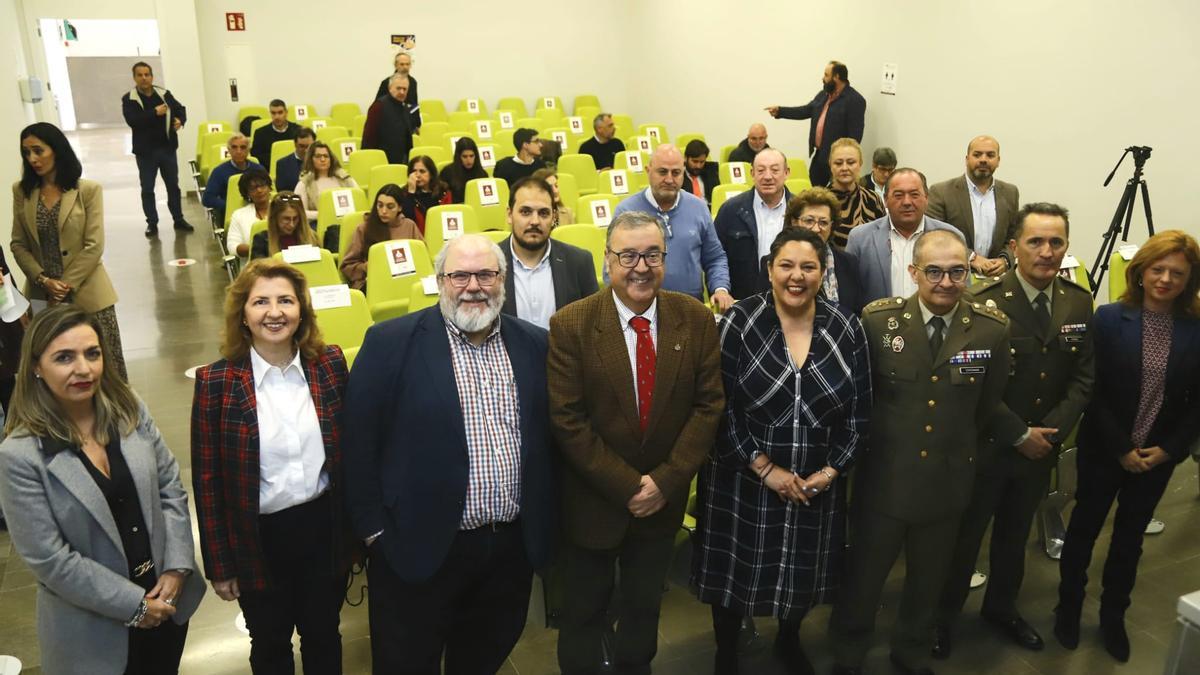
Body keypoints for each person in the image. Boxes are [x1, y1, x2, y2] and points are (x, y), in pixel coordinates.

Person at [343, 234, 557, 673]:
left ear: (503, 280)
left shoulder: (535, 344)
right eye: (460, 275)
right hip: (416, 549)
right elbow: (358, 442)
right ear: (441, 280)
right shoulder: (389, 342)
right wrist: (372, 533)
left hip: (508, 549)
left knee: (482, 658)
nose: (473, 285)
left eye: (486, 274)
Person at [549, 211, 724, 675]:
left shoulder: (695, 318)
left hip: (661, 504)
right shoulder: (572, 324)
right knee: (583, 614)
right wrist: (629, 486)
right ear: (608, 260)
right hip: (594, 503)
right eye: (628, 255)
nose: (640, 267)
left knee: (644, 610)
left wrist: (663, 483)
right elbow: (568, 421)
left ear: (665, 260)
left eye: (651, 255)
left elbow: (709, 407)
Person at [829, 230, 1010, 675]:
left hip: (947, 483)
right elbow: (859, 398)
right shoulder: (878, 322)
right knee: (863, 582)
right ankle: (849, 655)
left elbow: (988, 405)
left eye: (956, 271)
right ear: (913, 273)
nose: (946, 281)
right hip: (884, 482)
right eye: (934, 271)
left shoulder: (992, 328)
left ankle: (909, 652)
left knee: (928, 581)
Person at [696, 226, 870, 675]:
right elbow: (718, 405)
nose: (797, 276)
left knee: (802, 573)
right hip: (743, 479)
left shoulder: (847, 326)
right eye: (786, 266)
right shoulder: (739, 320)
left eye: (808, 267)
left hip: (816, 482)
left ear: (822, 271)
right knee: (733, 577)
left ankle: (789, 641)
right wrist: (763, 467)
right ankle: (726, 652)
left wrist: (832, 471)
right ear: (769, 269)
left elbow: (860, 412)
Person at [0, 304, 206, 675]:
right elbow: (51, 560)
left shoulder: (130, 409)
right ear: (35, 367)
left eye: (92, 354)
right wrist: (135, 605)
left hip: (167, 604)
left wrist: (176, 569)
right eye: (64, 357)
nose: (84, 369)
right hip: (94, 633)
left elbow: (170, 488)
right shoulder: (19, 456)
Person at [933, 203, 1095, 659]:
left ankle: (1000, 609)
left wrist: (1052, 432)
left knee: (1015, 537)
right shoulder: (982, 302)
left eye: (1056, 242)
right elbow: (970, 380)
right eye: (1035, 241)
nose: (1046, 251)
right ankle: (941, 617)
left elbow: (1083, 378)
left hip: (1041, 449)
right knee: (965, 540)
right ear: (1013, 246)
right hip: (988, 445)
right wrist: (1019, 434)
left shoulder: (1078, 301)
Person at [192, 260, 353, 674]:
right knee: (269, 643)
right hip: (257, 539)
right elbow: (207, 481)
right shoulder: (216, 382)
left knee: (324, 635)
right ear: (242, 314)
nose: (274, 312)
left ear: (301, 310)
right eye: (260, 301)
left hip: (322, 531)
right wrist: (220, 565)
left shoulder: (329, 364)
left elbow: (349, 455)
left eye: (285, 300)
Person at [1055, 230, 1200, 663]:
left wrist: (1169, 450)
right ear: (1140, 271)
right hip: (1105, 449)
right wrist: (1121, 447)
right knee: (1083, 531)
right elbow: (1092, 391)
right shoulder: (1108, 319)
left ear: (1189, 280)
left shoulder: (1196, 327)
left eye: (1177, 273)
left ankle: (1114, 616)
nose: (1165, 279)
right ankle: (1068, 608)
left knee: (1129, 540)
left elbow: (1196, 402)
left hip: (1158, 456)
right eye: (1158, 269)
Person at [12, 122, 129, 380]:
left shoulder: (86, 190)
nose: (32, 158)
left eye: (38, 151)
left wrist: (64, 286)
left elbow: (94, 245)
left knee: (106, 371)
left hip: (88, 293)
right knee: (53, 371)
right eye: (26, 153)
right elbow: (18, 244)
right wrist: (43, 280)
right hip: (42, 295)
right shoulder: (22, 192)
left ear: (56, 150)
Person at [612, 144, 734, 311]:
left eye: (676, 173)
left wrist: (720, 289)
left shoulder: (698, 208)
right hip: (641, 311)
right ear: (648, 170)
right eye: (662, 172)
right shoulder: (626, 211)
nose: (669, 179)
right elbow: (613, 266)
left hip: (691, 309)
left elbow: (715, 258)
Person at [845, 168, 963, 304]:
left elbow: (963, 293)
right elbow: (850, 296)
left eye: (914, 194)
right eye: (898, 195)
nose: (907, 202)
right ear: (885, 200)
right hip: (878, 324)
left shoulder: (951, 237)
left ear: (926, 198)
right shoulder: (860, 238)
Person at [500, 176, 597, 330]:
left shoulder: (579, 262)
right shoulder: (487, 263)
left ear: (554, 217)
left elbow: (594, 326)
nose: (535, 221)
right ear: (509, 215)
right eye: (525, 212)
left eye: (544, 213)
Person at [927, 136, 1022, 278]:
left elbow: (1013, 236)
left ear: (998, 160)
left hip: (997, 282)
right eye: (977, 155)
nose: (983, 159)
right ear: (967, 159)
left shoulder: (1010, 193)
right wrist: (971, 257)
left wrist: (1004, 260)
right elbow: (933, 236)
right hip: (954, 278)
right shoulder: (941, 192)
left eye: (990, 155)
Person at [766, 60, 867, 188]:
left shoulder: (855, 100)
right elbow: (806, 110)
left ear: (836, 77)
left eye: (826, 75)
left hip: (838, 160)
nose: (823, 78)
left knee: (836, 195)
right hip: (820, 155)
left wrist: (845, 160)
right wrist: (780, 111)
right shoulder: (823, 95)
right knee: (813, 192)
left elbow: (855, 136)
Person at [121, 61, 192, 237]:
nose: (144, 78)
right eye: (140, 75)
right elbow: (133, 120)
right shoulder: (129, 98)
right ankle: (152, 223)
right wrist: (154, 112)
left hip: (167, 149)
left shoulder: (164, 94)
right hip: (146, 153)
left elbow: (180, 109)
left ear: (152, 76)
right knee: (147, 188)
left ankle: (178, 219)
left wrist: (180, 120)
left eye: (147, 74)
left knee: (173, 186)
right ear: (135, 77)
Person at [714, 148, 792, 300]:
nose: (767, 177)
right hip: (742, 302)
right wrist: (721, 290)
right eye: (761, 170)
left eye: (775, 170)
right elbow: (716, 256)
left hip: (791, 301)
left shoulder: (800, 211)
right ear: (752, 174)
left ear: (787, 173)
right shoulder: (731, 210)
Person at [784, 187, 864, 315]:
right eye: (809, 221)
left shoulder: (848, 263)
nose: (816, 229)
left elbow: (857, 312)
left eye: (823, 222)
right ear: (794, 222)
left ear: (832, 225)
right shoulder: (776, 262)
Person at [340, 183, 422, 291]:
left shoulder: (409, 225)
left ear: (400, 207)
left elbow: (422, 259)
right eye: (380, 205)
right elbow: (347, 266)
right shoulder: (364, 228)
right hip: (374, 284)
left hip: (405, 281)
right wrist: (365, 267)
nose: (383, 211)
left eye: (390, 207)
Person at [827, 138, 886, 248]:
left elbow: (883, 238)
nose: (844, 168)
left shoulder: (873, 199)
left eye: (851, 162)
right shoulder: (820, 201)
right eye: (838, 163)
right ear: (830, 164)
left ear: (860, 163)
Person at [202, 133, 264, 227]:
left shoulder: (258, 169)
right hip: (231, 215)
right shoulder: (219, 171)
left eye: (243, 147)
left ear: (248, 150)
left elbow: (269, 192)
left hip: (257, 212)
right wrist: (229, 206)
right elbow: (207, 198)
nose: (238, 151)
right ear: (229, 150)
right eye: (234, 147)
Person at [295, 140, 358, 224]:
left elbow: (359, 199)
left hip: (347, 222)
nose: (323, 159)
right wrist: (325, 214)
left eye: (326, 156)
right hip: (319, 224)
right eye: (318, 156)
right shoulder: (304, 183)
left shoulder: (344, 178)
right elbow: (300, 211)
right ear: (311, 159)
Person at [247, 192, 320, 261]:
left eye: (295, 218)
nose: (292, 224)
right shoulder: (262, 241)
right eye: (286, 219)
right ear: (274, 218)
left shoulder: (313, 238)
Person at [362, 74, 416, 165]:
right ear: (390, 88)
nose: (402, 92)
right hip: (381, 162)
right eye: (398, 88)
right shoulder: (378, 106)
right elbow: (368, 138)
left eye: (405, 89)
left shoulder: (406, 108)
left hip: (401, 162)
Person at [226, 168, 273, 261]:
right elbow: (232, 246)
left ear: (269, 187)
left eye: (262, 185)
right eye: (253, 188)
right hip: (253, 265)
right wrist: (257, 249)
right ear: (247, 193)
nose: (259, 190)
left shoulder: (282, 209)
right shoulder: (239, 215)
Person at [397, 155, 452, 235]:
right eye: (414, 171)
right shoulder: (405, 193)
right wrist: (411, 192)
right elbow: (407, 221)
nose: (418, 175)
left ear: (431, 173)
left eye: (422, 171)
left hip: (441, 234)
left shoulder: (443, 192)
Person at [249, 100, 301, 177]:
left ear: (286, 113)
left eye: (280, 112)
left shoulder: (298, 130)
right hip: (269, 172)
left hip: (296, 170)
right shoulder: (260, 133)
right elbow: (256, 156)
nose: (277, 116)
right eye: (273, 113)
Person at [374, 50, 421, 132]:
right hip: (390, 124)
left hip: (408, 124)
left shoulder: (413, 82)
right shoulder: (387, 82)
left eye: (407, 64)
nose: (405, 67)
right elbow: (378, 104)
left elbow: (414, 104)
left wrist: (417, 124)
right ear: (396, 65)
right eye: (402, 64)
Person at [442, 137, 488, 204]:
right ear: (458, 156)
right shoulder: (447, 173)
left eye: (471, 156)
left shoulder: (483, 174)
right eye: (465, 156)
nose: (469, 160)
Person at [275, 126, 315, 193]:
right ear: (295, 144)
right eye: (302, 146)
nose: (306, 150)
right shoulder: (282, 164)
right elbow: (282, 192)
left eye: (309, 146)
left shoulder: (321, 162)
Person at [683, 139, 720, 204]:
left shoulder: (711, 171)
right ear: (686, 158)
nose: (698, 166)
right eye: (695, 161)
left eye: (702, 162)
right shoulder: (679, 175)